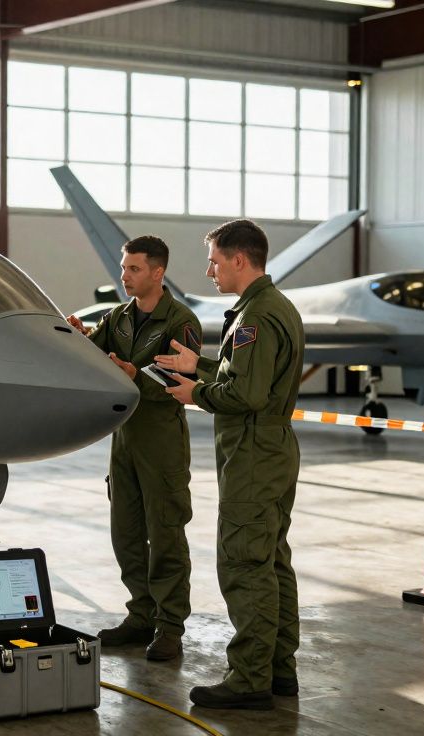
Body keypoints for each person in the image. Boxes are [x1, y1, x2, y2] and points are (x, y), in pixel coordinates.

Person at [155, 219, 304, 711]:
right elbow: (247, 375)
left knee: (245, 564)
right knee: (272, 560)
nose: (210, 270)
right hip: (274, 448)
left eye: (216, 260)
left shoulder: (255, 318)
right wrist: (194, 366)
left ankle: (249, 678)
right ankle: (279, 669)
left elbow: (245, 392)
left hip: (253, 455)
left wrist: (195, 393)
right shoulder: (275, 307)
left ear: (240, 259)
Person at [66, 236, 201, 661]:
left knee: (165, 536)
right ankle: (140, 615)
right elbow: (93, 353)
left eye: (134, 269)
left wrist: (133, 375)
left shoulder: (181, 322)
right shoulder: (118, 317)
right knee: (126, 534)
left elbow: (181, 385)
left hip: (160, 441)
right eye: (124, 268)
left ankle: (170, 626)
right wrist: (75, 337)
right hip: (123, 440)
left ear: (158, 273)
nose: (124, 276)